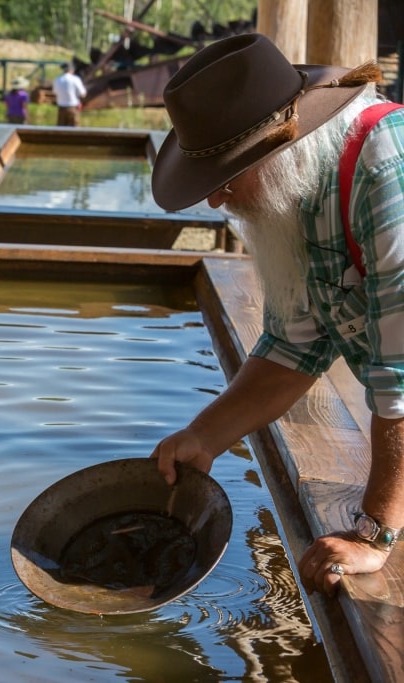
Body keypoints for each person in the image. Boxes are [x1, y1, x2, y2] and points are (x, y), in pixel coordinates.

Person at [148, 33, 393, 597]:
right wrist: (204, 436)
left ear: (282, 144)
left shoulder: (385, 172)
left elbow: (400, 380)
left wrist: (375, 532)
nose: (215, 200)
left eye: (226, 176)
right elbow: (292, 349)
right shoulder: (306, 191)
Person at [52, 62, 86, 127]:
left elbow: (55, 92)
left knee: (61, 131)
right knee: (74, 131)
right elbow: (83, 94)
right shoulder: (75, 79)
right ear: (72, 70)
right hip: (73, 107)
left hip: (61, 108)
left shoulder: (57, 79)